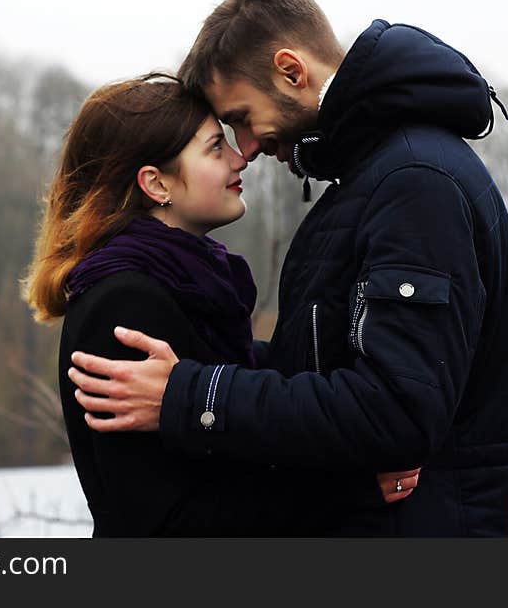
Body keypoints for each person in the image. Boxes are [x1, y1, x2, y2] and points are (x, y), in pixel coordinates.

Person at [69, 0, 508, 536]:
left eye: (238, 119)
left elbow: (399, 408)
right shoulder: (371, 179)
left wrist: (193, 394)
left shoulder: (413, 183)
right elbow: (327, 364)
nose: (249, 149)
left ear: (290, 70)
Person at [22, 74, 418, 536]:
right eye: (215, 148)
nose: (240, 158)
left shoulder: (183, 286)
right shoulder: (124, 305)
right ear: (155, 182)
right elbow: (166, 522)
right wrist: (348, 490)